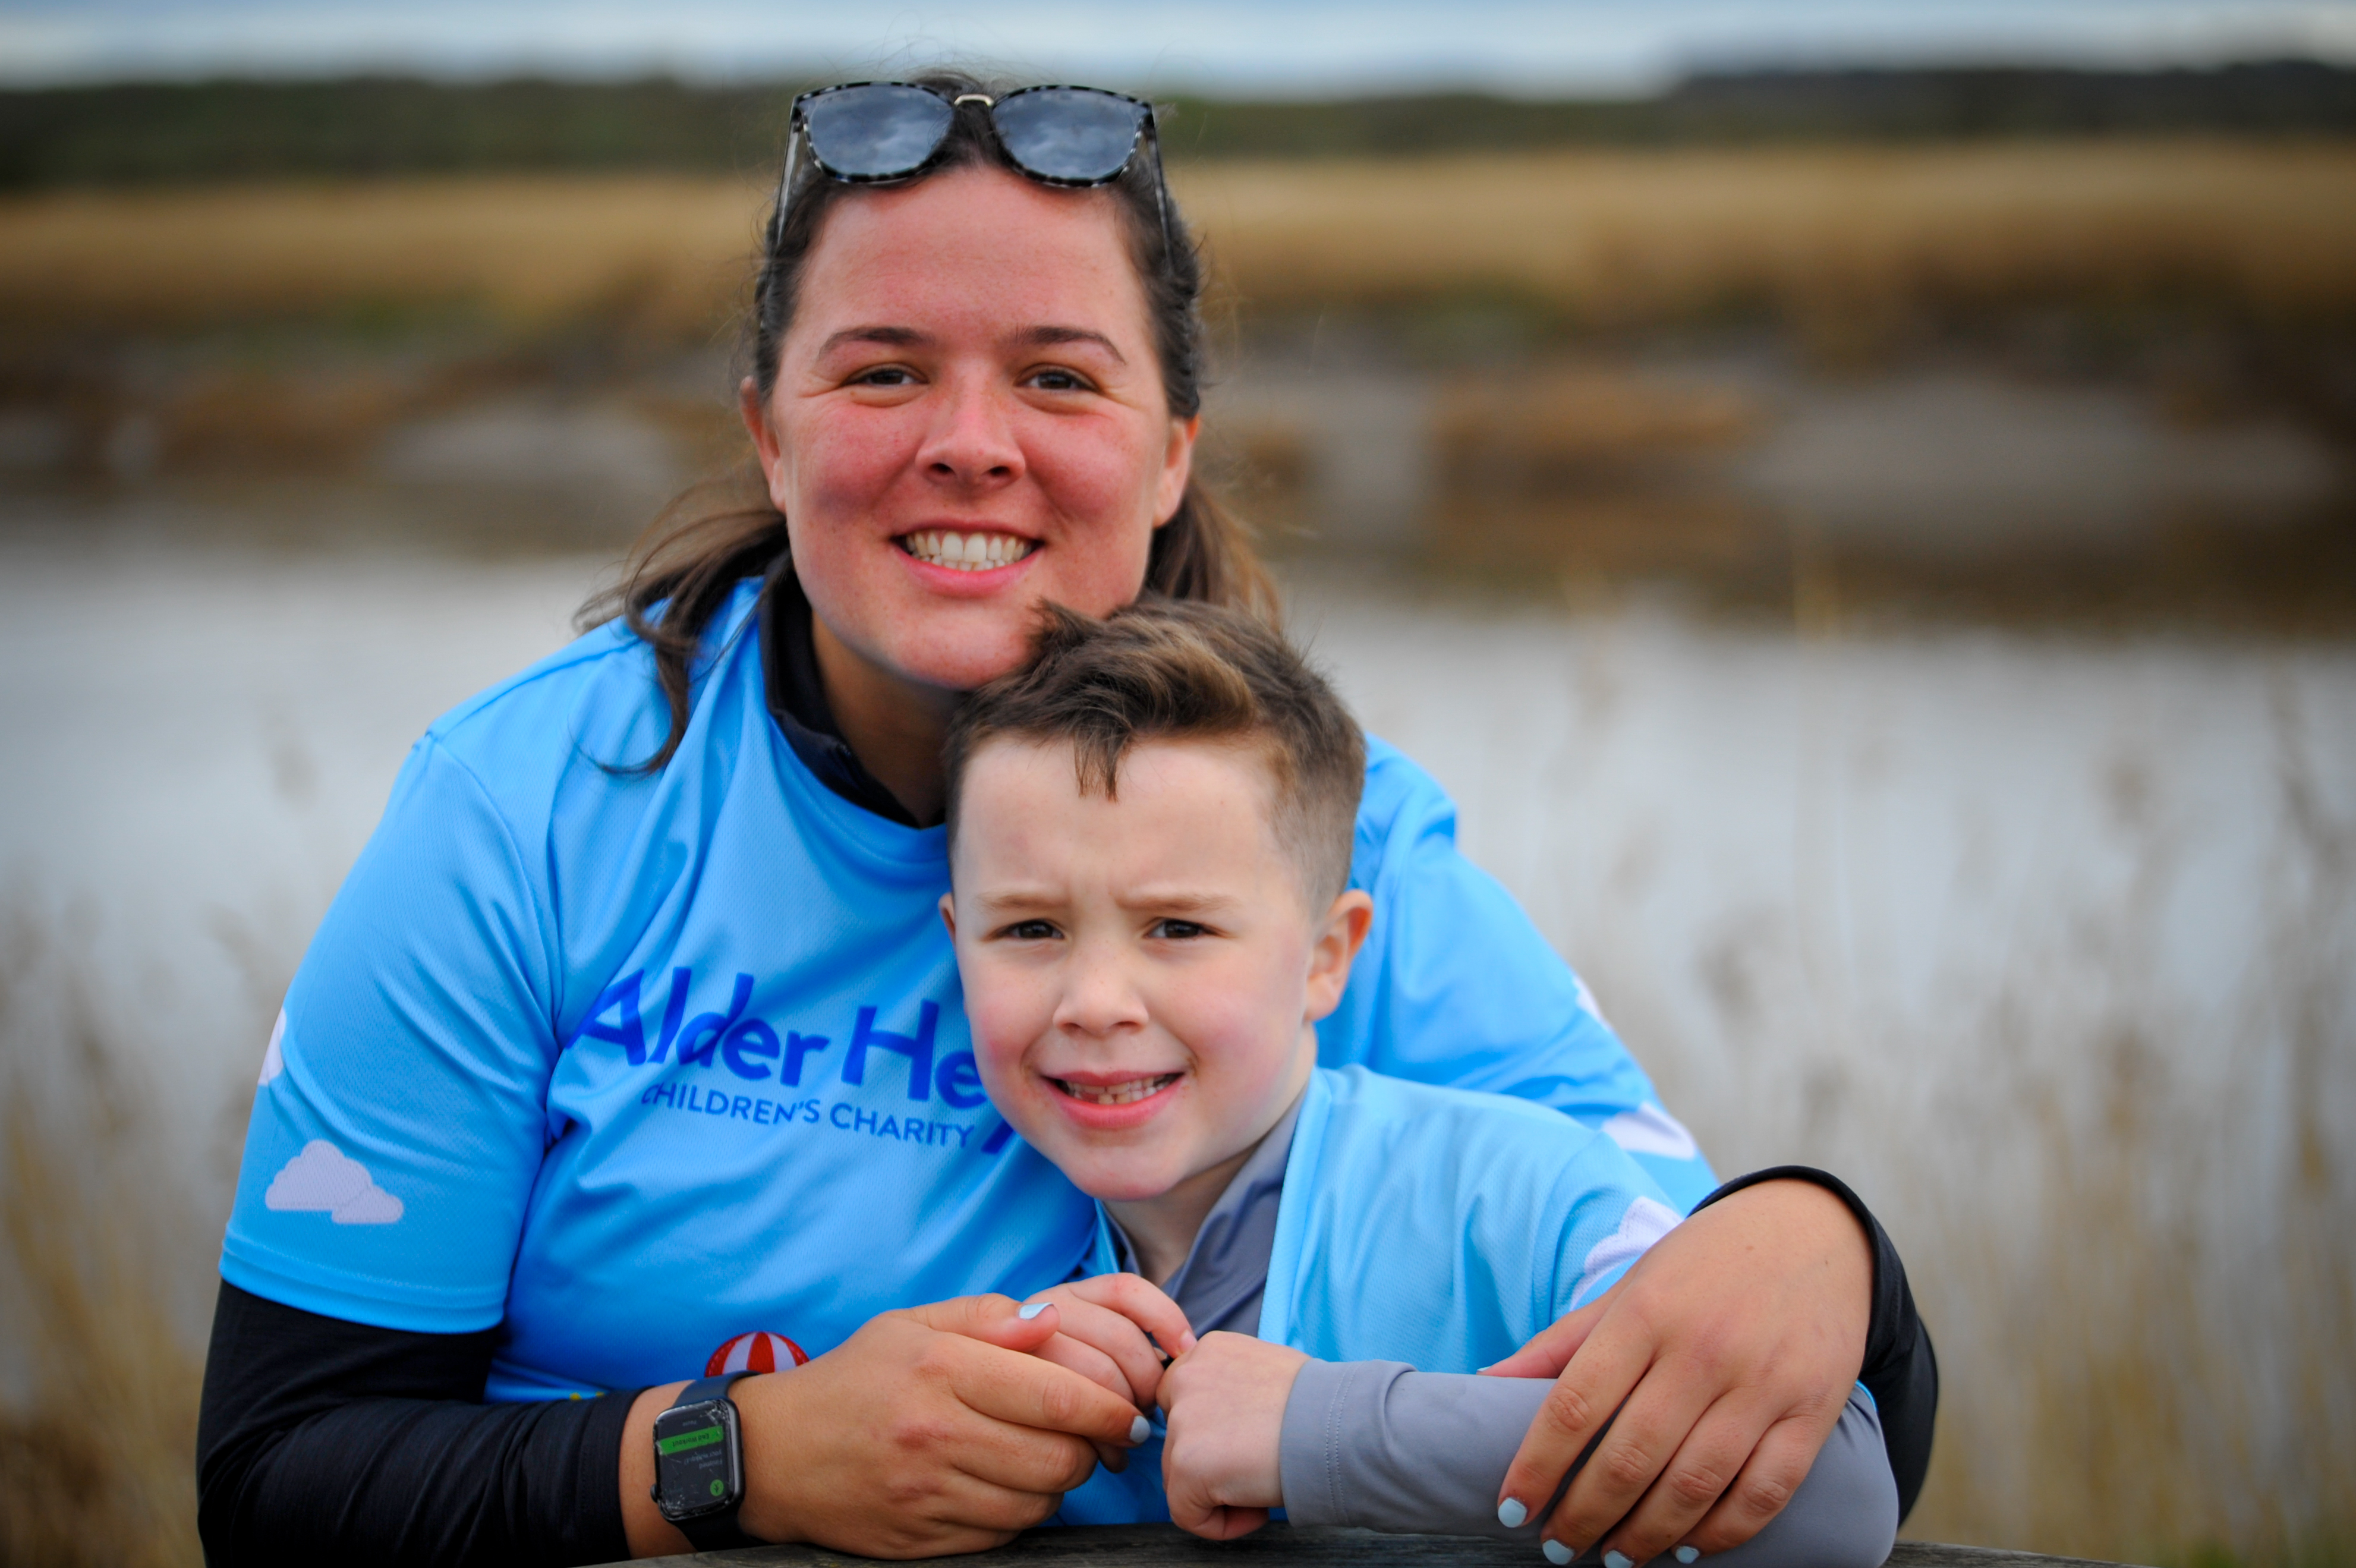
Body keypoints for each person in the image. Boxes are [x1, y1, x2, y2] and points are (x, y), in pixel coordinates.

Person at [196, 71, 1934, 1567]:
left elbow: (1753, 1396)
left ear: (1170, 448)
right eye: (881, 373)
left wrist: (1822, 1241)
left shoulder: (1319, 831)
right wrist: (746, 1454)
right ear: (767, 431)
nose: (968, 442)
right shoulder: (526, 809)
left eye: (1057, 376)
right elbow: (278, 1477)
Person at [934, 596, 1899, 1566]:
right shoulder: (940, 1225)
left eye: (1177, 928)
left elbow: (1839, 1490)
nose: (1096, 1002)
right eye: (1029, 929)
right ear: (954, 941)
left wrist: (1320, 1429)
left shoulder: (1512, 1189)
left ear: (1327, 955)